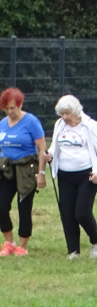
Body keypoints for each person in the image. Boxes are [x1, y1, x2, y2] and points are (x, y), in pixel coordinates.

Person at [48, 95, 97, 259]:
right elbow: (54, 147)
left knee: (81, 212)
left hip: (87, 175)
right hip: (64, 174)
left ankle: (96, 241)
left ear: (75, 111)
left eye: (67, 113)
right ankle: (73, 251)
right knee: (67, 213)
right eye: (61, 114)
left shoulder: (90, 126)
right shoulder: (59, 125)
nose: (64, 117)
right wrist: (49, 155)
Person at [0, 87, 47, 257]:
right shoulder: (2, 124)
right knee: (1, 206)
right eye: (6, 108)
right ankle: (9, 242)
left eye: (12, 108)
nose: (9, 111)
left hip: (26, 171)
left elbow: (42, 149)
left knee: (24, 208)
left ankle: (22, 245)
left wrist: (41, 173)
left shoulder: (31, 122)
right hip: (7, 171)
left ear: (20, 105)